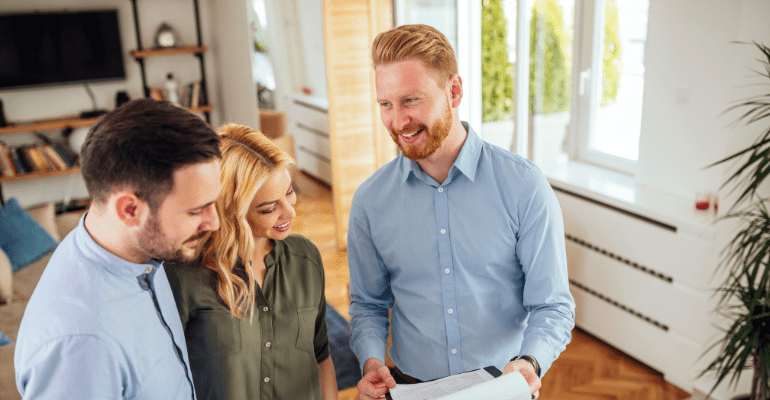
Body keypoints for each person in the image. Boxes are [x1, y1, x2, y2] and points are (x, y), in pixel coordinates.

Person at [347, 24, 576, 400]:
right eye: (386, 104)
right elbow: (368, 305)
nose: (397, 121)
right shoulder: (371, 201)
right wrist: (372, 362)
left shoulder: (523, 186)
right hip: (410, 386)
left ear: (454, 91)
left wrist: (531, 361)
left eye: (411, 100)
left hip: (502, 385)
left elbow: (552, 304)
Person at [14, 98, 222, 399]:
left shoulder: (130, 247)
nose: (213, 222)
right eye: (195, 211)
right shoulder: (81, 347)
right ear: (129, 210)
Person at [164, 124, 338, 400]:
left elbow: (321, 355)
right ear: (232, 211)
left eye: (290, 192)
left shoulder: (305, 258)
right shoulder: (183, 276)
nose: (290, 212)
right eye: (270, 208)